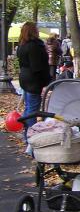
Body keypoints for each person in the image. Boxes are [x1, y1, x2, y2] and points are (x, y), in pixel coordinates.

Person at [17, 22, 50, 155]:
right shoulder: (34, 46)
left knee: (29, 107)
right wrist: (46, 80)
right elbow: (37, 67)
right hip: (33, 80)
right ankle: (31, 138)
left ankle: (26, 132)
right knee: (33, 109)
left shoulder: (22, 46)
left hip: (25, 78)